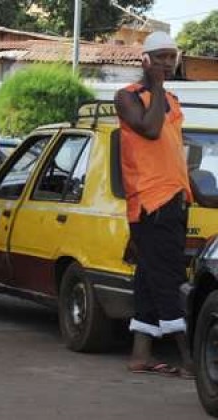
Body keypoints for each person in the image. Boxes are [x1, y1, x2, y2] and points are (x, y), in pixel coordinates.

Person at [115, 32, 194, 378]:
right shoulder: (127, 97)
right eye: (160, 57)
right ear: (145, 59)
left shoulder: (172, 100)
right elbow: (148, 129)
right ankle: (191, 360)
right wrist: (157, 84)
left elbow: (172, 152)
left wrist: (195, 190)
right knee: (169, 281)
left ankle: (140, 355)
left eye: (171, 57)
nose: (167, 63)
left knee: (149, 279)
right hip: (151, 203)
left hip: (173, 199)